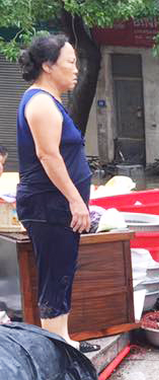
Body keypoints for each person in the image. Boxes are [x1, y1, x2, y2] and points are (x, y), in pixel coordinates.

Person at [14, 35, 98, 352]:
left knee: (62, 272)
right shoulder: (40, 104)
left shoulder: (49, 101)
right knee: (54, 276)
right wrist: (76, 201)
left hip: (55, 205)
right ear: (48, 66)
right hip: (48, 205)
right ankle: (58, 353)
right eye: (71, 62)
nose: (76, 70)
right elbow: (49, 156)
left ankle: (63, 340)